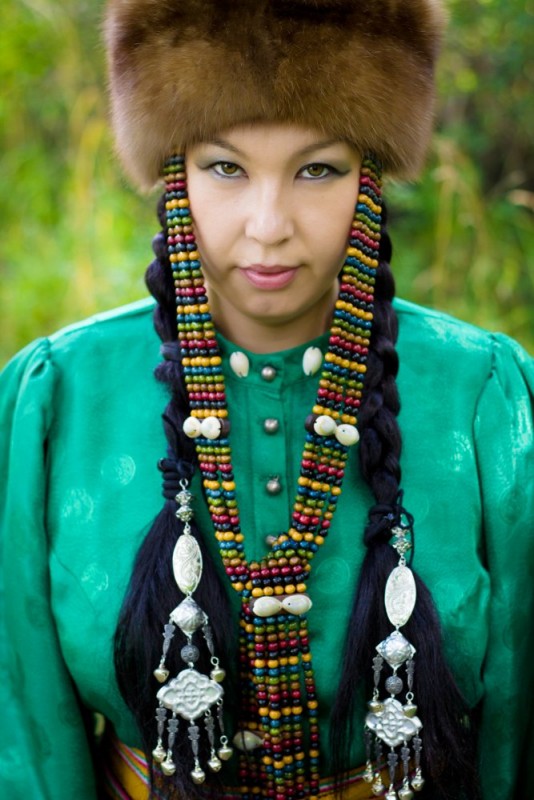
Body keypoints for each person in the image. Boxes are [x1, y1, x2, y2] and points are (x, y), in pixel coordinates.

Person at [1, 1, 533, 799]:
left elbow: (518, 733)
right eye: (225, 167)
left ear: (371, 176)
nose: (269, 224)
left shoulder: (480, 392)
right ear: (175, 171)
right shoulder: (58, 396)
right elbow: (26, 739)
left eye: (318, 169)